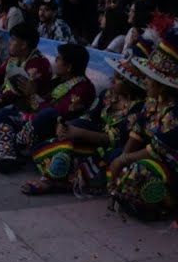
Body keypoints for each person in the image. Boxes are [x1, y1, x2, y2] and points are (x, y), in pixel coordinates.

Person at [109, 4, 178, 225]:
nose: (145, 80)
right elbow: (138, 130)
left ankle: (164, 203)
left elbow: (158, 148)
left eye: (150, 78)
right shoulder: (155, 99)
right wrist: (120, 158)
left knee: (136, 171)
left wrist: (123, 161)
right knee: (115, 155)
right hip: (156, 159)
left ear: (163, 84)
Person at [21, 58, 147, 196]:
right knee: (60, 137)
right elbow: (88, 117)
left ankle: (51, 180)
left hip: (111, 148)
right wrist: (66, 127)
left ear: (131, 84)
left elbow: (115, 139)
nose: (112, 79)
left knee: (70, 148)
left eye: (118, 78)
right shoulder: (107, 94)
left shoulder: (138, 108)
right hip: (92, 138)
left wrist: (78, 133)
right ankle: (63, 177)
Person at [0, 42, 96, 174]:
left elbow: (58, 113)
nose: (55, 61)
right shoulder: (59, 80)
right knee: (3, 114)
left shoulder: (83, 88)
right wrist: (31, 86)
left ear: (69, 66)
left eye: (59, 58)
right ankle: (9, 156)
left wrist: (33, 95)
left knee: (48, 114)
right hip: (34, 121)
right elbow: (42, 100)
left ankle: (12, 147)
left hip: (54, 128)